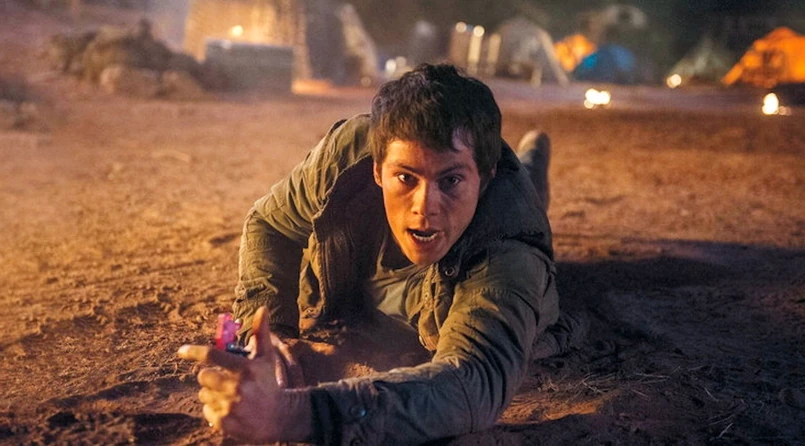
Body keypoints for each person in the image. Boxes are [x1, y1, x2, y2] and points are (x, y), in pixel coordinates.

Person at [178, 63, 575, 444]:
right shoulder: (347, 158)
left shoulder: (508, 247)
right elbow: (270, 222)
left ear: (484, 180)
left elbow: (472, 384)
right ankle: (519, 160)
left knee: (527, 189)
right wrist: (272, 335)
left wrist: (294, 414)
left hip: (506, 213)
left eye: (450, 180)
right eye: (405, 178)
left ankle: (531, 159)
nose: (425, 206)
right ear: (377, 168)